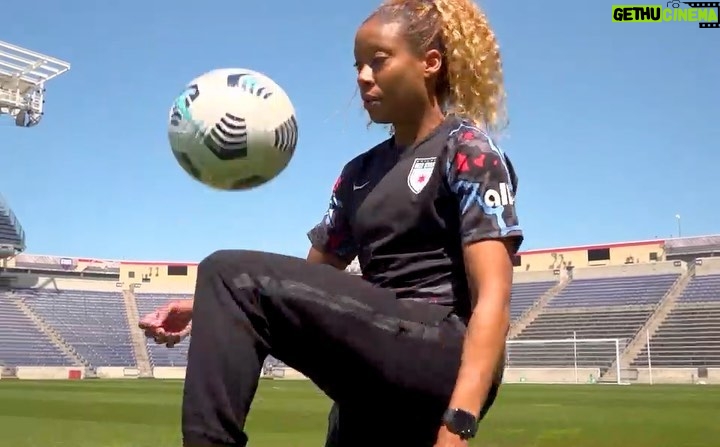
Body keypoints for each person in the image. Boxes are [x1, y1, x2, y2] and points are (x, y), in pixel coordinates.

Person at [139, 0, 522, 445]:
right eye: (358, 65)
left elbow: (493, 297)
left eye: (378, 61)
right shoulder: (358, 174)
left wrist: (459, 422)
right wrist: (213, 306)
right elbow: (311, 282)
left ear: (430, 64)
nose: (362, 77)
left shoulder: (468, 150)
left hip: (441, 355)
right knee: (229, 284)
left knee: (227, 270)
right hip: (377, 366)